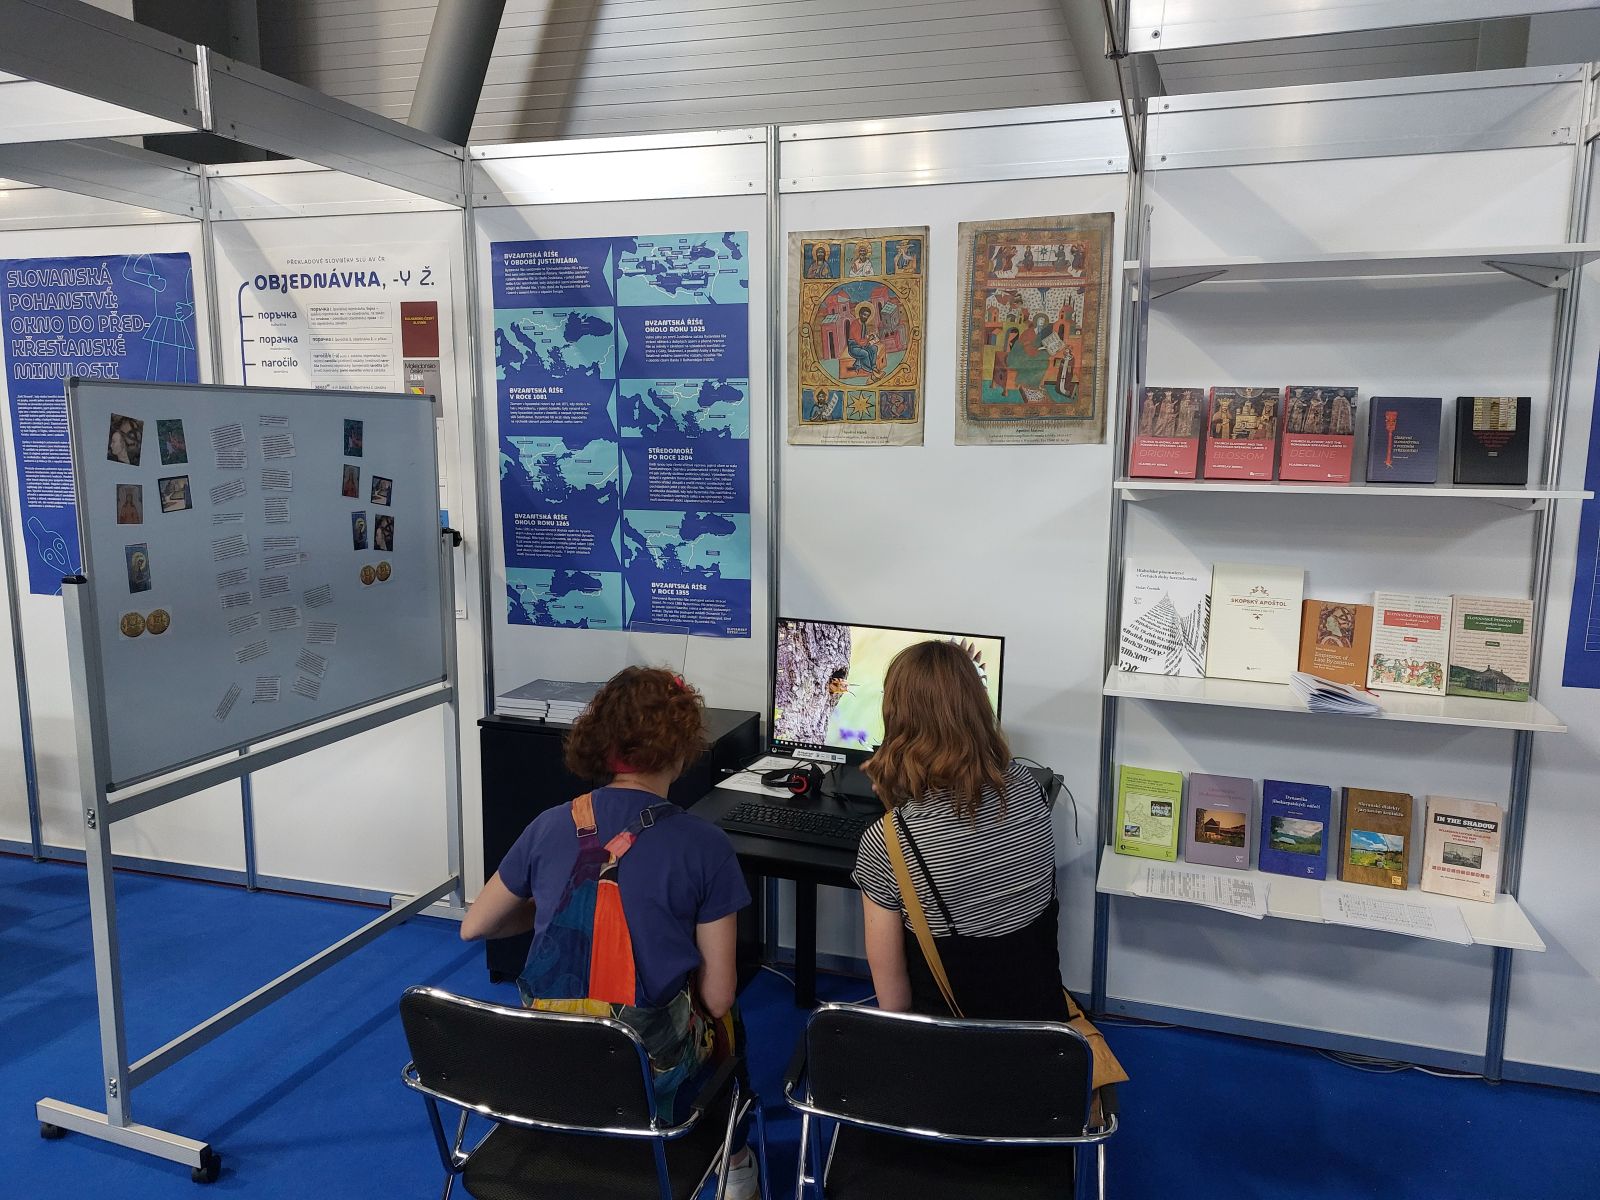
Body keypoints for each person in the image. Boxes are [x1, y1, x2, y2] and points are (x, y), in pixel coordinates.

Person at [460, 666, 759, 1197]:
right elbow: (717, 997)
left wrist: (547, 904)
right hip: (647, 1075)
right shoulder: (705, 846)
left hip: (547, 1066)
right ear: (681, 749)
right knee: (728, 1017)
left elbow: (475, 925)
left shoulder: (549, 823)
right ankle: (733, 1159)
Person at [852, 640, 1068, 1021]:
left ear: (896, 720)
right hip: (1044, 1033)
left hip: (948, 1047)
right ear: (979, 706)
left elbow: (894, 1004)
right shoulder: (1032, 792)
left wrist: (893, 802)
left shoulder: (886, 844)